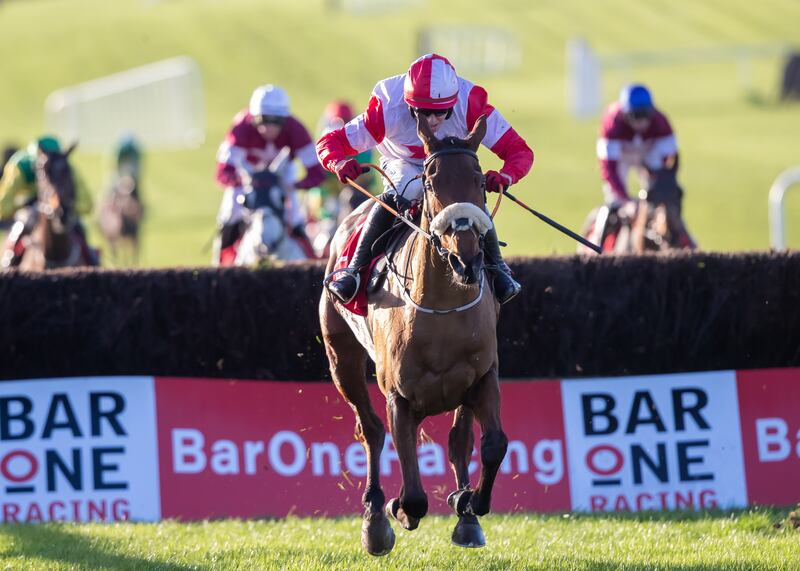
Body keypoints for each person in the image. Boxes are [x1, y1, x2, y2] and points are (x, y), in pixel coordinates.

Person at [316, 53, 534, 305]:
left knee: (473, 196)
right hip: (403, 164)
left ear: (454, 102)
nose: (431, 121)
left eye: (440, 113)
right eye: (422, 112)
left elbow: (520, 151)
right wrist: (339, 162)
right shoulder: (386, 106)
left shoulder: (471, 102)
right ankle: (354, 270)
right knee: (407, 189)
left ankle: (498, 268)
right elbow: (330, 142)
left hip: (449, 166)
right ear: (407, 102)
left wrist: (506, 175)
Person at [214, 84, 326, 265]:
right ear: (253, 118)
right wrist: (242, 181)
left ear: (285, 120)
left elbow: (317, 173)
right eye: (263, 120)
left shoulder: (296, 130)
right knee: (229, 213)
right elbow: (222, 173)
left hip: (282, 178)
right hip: (248, 178)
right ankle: (218, 266)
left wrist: (294, 186)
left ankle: (312, 265)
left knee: (295, 216)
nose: (268, 128)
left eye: (276, 122)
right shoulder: (240, 127)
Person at [596, 84, 695, 248]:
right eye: (636, 116)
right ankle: (597, 243)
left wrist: (660, 188)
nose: (642, 123)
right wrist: (626, 200)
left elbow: (670, 164)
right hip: (621, 157)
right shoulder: (612, 123)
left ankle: (685, 240)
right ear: (626, 115)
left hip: (648, 152)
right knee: (614, 200)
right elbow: (609, 169)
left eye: (645, 116)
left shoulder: (661, 122)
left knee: (664, 199)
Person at [0, 135, 96, 267]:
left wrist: (65, 206)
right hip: (31, 210)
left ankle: (93, 265)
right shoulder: (21, 167)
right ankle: (8, 265)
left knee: (80, 228)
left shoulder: (65, 169)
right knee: (22, 225)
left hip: (62, 210)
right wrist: (28, 206)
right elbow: (2, 206)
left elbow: (87, 204)